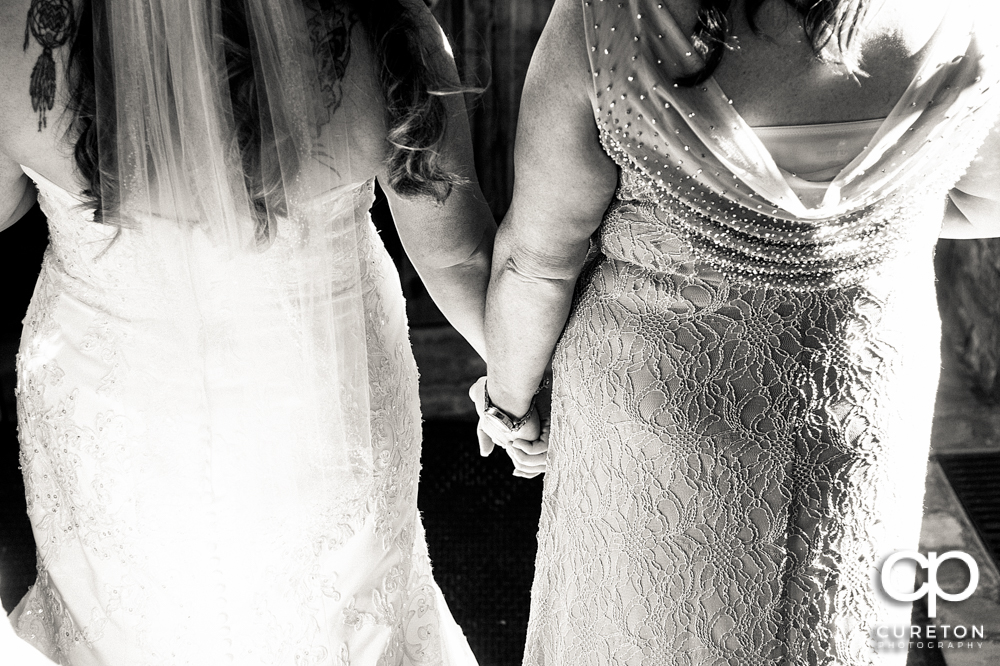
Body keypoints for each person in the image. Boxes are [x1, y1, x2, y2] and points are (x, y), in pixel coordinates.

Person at [473, 0, 1000, 663]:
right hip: (859, 413)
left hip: (659, 427)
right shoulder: (974, 19)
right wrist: (846, 233)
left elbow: (537, 264)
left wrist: (508, 403)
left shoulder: (611, 19)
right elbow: (981, 199)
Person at [0, 0, 494, 663]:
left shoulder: (16, 31)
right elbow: (457, 256)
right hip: (320, 400)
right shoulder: (384, 24)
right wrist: (518, 382)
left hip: (112, 409)